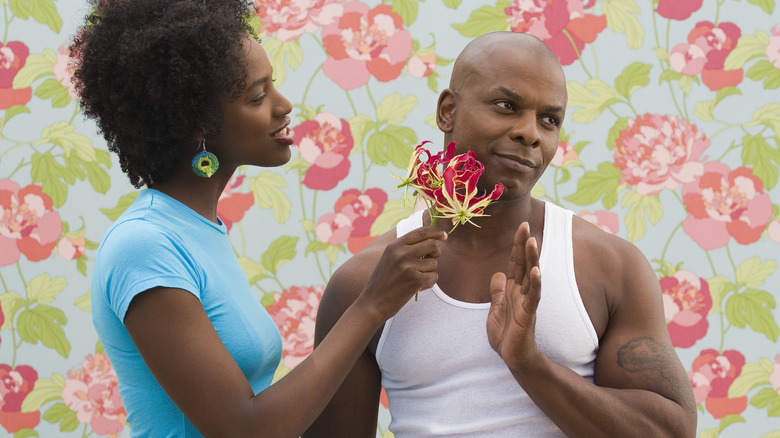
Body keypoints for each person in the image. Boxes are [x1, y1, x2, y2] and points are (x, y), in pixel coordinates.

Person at [74, 0, 446, 436]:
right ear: (198, 123)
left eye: (274, 85)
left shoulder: (197, 230)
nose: (284, 105)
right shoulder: (144, 246)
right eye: (257, 96)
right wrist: (371, 306)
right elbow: (246, 429)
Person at [304, 31, 697, 438]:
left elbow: (671, 431)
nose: (530, 133)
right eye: (507, 106)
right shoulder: (363, 283)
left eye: (549, 119)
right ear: (447, 111)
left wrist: (529, 364)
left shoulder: (609, 267)